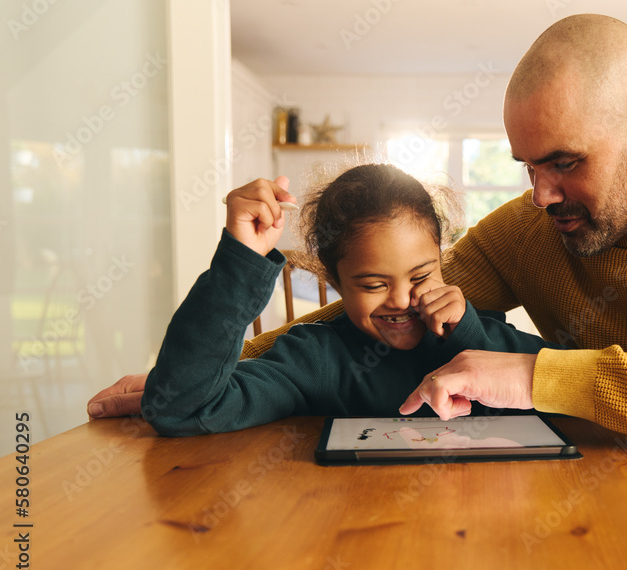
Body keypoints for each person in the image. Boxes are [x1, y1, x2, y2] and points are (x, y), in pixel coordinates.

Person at [91, 14, 627, 454]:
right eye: (528, 165)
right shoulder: (535, 225)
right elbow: (387, 308)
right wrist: (208, 368)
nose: (541, 194)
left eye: (564, 162)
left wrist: (533, 378)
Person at [138, 164, 563, 436]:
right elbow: (183, 411)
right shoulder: (316, 359)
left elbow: (568, 393)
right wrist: (240, 262)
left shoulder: (484, 335)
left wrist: (470, 333)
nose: (401, 300)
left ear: (441, 260)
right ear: (337, 283)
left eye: (421, 275)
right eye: (374, 284)